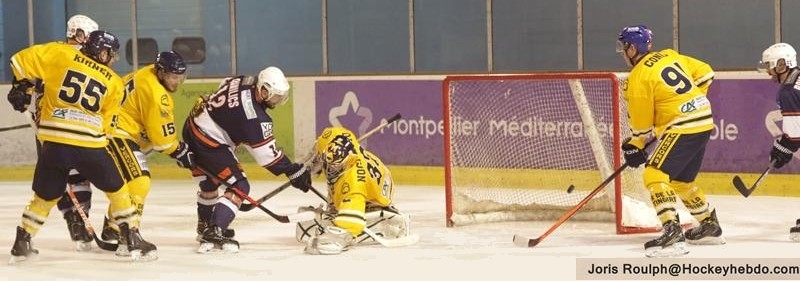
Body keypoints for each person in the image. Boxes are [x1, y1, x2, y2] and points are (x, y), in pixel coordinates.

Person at [7, 30, 157, 263]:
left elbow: (18, 61)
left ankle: (22, 241)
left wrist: (23, 87)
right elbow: (107, 125)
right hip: (89, 144)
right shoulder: (113, 82)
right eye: (112, 54)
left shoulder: (61, 54)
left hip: (54, 144)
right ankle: (130, 238)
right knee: (118, 191)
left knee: (44, 196)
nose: (113, 59)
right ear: (102, 52)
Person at [616, 25, 723, 258]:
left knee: (654, 174)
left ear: (632, 48)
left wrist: (636, 144)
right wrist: (690, 103)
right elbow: (706, 73)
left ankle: (672, 232)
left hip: (683, 126)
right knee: (681, 180)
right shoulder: (669, 55)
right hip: (703, 120)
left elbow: (642, 126)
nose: (622, 52)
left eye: (624, 47)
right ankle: (709, 225)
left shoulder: (638, 76)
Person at [182, 66, 312, 253]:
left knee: (210, 183)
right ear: (264, 89)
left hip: (192, 127)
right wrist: (292, 170)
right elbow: (268, 157)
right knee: (240, 186)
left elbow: (224, 85)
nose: (277, 101)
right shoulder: (255, 118)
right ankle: (214, 229)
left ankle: (204, 226)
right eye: (275, 97)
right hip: (208, 141)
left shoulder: (243, 80)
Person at [7, 14, 100, 251]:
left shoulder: (91, 59)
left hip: (78, 126)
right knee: (55, 179)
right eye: (88, 37)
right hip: (50, 125)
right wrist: (21, 89)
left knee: (79, 174)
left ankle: (78, 220)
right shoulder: (53, 52)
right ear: (77, 34)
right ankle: (72, 218)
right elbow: (21, 66)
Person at [98, 51, 195, 250]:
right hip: (117, 133)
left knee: (127, 182)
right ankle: (130, 234)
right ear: (160, 72)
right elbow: (162, 141)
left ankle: (114, 227)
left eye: (180, 77)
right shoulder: (157, 94)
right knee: (139, 181)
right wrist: (179, 151)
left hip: (111, 129)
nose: (177, 82)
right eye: (173, 77)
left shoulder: (145, 73)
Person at [295, 126, 411, 255]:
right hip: (373, 179)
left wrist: (340, 233)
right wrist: (307, 169)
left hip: (373, 199)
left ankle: (380, 217)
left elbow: (350, 224)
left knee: (345, 207)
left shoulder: (354, 181)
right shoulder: (337, 139)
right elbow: (321, 146)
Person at [757, 43, 800, 241]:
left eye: (770, 65)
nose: (768, 70)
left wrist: (782, 148)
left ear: (781, 65)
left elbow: (794, 134)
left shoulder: (789, 90)